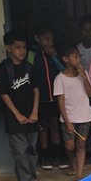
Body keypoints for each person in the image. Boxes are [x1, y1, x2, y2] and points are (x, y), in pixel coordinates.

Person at [0, 30, 44, 181]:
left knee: (32, 149)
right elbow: (3, 94)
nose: (22, 51)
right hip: (14, 118)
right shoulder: (4, 69)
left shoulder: (29, 67)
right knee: (20, 150)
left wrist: (35, 111)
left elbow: (36, 90)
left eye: (24, 47)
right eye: (18, 47)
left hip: (32, 116)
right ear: (8, 48)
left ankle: (31, 176)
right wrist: (17, 114)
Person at [53, 45, 91, 181]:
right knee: (70, 146)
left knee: (81, 144)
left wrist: (83, 76)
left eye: (79, 57)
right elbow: (60, 102)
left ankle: (79, 173)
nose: (78, 60)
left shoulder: (84, 74)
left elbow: (90, 93)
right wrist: (66, 121)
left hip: (84, 116)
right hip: (68, 117)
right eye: (75, 57)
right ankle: (72, 161)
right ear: (65, 59)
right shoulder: (60, 78)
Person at [31, 24, 66, 170]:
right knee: (43, 127)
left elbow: (64, 70)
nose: (49, 43)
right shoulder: (32, 55)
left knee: (55, 126)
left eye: (51, 40)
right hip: (41, 99)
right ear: (37, 39)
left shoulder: (55, 55)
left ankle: (56, 155)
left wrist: (54, 56)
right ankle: (44, 157)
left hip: (56, 98)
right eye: (46, 39)